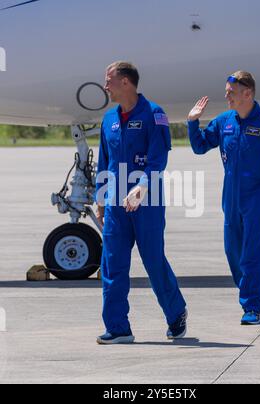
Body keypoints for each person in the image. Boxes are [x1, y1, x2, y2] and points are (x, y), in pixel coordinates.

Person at [187, 71, 260, 325]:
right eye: (227, 92)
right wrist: (192, 122)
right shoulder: (225, 122)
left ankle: (252, 305)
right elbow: (200, 146)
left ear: (248, 93)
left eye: (231, 93)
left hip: (259, 194)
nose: (227, 96)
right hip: (231, 194)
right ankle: (252, 293)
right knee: (232, 250)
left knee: (252, 252)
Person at [95, 61, 187, 344]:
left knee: (153, 261)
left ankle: (176, 313)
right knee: (112, 264)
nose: (105, 85)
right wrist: (100, 196)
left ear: (126, 82)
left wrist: (142, 187)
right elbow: (104, 162)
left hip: (147, 202)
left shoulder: (154, 114)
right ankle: (118, 328)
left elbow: (158, 158)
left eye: (109, 79)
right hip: (115, 204)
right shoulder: (108, 119)